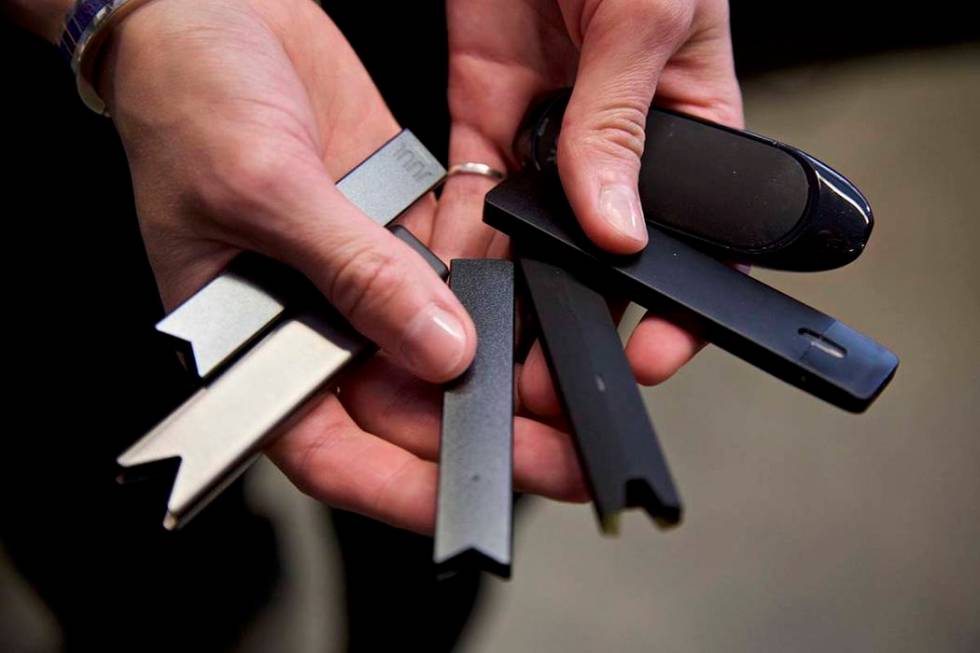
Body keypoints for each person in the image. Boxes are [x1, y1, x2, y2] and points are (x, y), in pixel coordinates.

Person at [1, 0, 742, 649]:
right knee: (106, 517)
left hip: (459, 62)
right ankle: (210, 606)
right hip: (75, 141)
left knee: (427, 529)